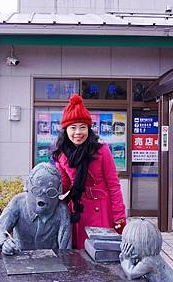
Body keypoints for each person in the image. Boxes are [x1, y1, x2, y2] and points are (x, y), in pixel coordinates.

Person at [51, 94, 126, 249]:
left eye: (82, 127)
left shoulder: (101, 150)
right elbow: (64, 184)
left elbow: (114, 185)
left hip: (102, 210)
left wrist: (119, 217)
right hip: (77, 209)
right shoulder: (61, 154)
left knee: (101, 252)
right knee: (78, 255)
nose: (78, 132)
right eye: (73, 127)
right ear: (65, 130)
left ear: (89, 129)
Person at [0, 162, 71, 254]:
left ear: (59, 191)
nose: (43, 194)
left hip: (50, 261)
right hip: (20, 258)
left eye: (50, 191)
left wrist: (64, 262)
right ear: (27, 185)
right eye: (37, 190)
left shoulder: (62, 210)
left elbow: (65, 249)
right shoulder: (18, 202)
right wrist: (4, 243)